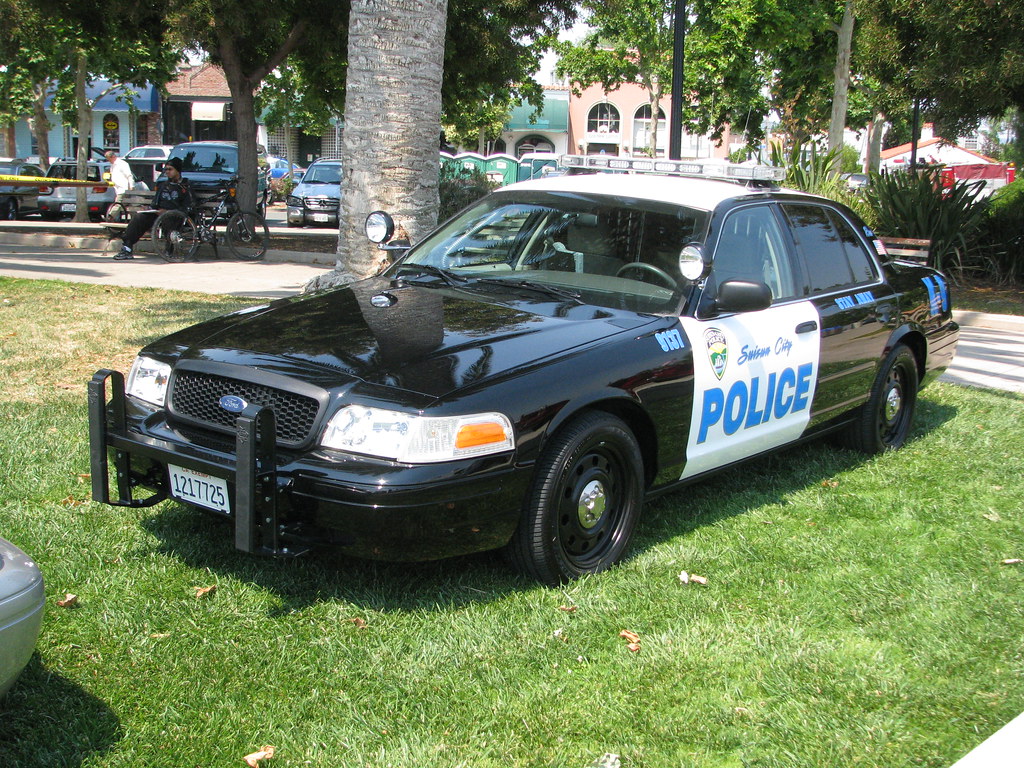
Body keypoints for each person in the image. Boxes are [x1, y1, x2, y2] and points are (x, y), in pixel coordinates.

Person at [115, 157, 193, 260]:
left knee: (168, 219)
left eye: (170, 169)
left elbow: (188, 206)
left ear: (177, 170)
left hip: (175, 215)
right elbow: (155, 203)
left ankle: (169, 249)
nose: (167, 172)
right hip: (158, 213)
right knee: (140, 217)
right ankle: (127, 248)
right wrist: (149, 208)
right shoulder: (163, 185)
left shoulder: (185, 186)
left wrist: (168, 212)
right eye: (166, 169)